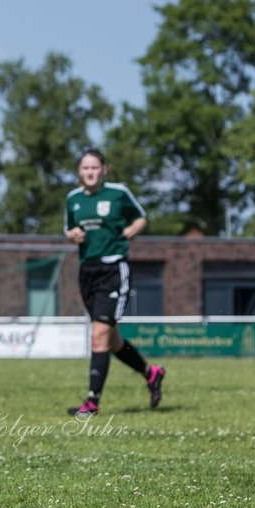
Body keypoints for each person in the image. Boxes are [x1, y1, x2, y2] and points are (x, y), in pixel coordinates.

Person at [64, 148, 165, 417]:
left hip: (113, 269)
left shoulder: (118, 193)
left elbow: (141, 216)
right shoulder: (73, 199)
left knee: (98, 335)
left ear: (104, 169)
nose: (90, 172)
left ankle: (92, 403)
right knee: (112, 340)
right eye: (85, 168)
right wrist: (71, 235)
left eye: (95, 167)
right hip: (87, 270)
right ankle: (151, 373)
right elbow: (69, 230)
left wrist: (133, 229)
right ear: (79, 172)